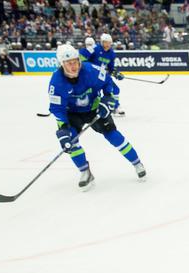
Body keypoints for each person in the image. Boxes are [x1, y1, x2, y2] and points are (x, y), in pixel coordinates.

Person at [48, 44, 146, 190]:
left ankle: (137, 163)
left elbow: (108, 83)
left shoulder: (90, 70)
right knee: (72, 142)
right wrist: (63, 130)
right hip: (72, 114)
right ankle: (85, 172)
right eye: (69, 63)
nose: (73, 66)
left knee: (113, 135)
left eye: (75, 61)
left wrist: (108, 100)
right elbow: (57, 109)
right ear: (61, 64)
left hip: (95, 109)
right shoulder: (56, 82)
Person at [81, 34, 126, 116]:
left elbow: (110, 67)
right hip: (92, 75)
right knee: (93, 93)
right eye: (105, 42)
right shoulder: (95, 48)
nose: (107, 45)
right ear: (102, 42)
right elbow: (82, 55)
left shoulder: (111, 53)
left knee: (114, 89)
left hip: (103, 75)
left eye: (109, 43)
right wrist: (85, 66)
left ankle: (115, 106)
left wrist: (116, 73)